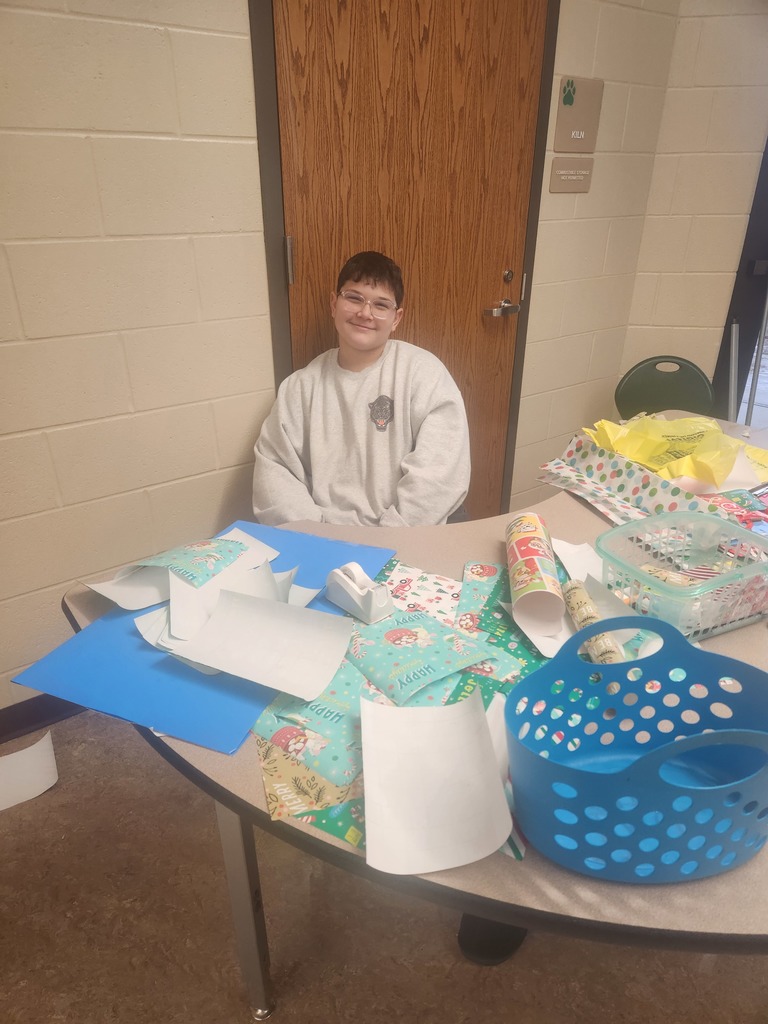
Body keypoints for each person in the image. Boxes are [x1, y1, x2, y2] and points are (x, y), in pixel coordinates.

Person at [252, 250, 470, 526]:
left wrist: (389, 535)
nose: (365, 313)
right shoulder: (300, 388)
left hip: (405, 533)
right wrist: (316, 536)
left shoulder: (424, 374)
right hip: (322, 537)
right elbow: (275, 471)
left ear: (396, 318)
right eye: (354, 298)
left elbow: (440, 473)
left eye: (381, 305)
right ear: (334, 304)